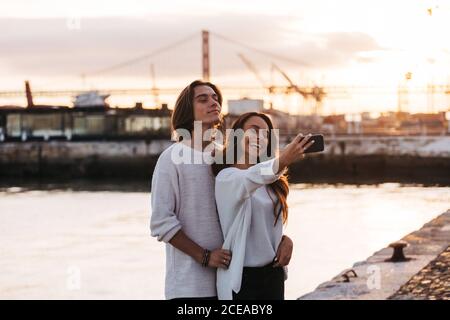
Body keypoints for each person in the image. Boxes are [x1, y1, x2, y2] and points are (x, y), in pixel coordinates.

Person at [213, 112, 314, 300]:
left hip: (273, 276)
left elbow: (265, 227)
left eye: (266, 134)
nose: (260, 137)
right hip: (243, 281)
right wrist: (283, 160)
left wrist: (285, 239)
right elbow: (250, 178)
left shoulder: (271, 182)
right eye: (254, 130)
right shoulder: (227, 178)